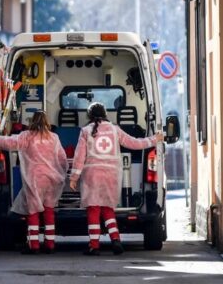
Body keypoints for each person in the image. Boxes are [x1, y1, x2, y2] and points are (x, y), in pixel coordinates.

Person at [69, 102, 164, 255]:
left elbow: (79, 156)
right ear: (106, 114)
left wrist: (74, 177)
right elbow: (134, 143)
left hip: (92, 176)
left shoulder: (86, 131)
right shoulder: (115, 130)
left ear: (89, 116)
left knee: (93, 210)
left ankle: (94, 246)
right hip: (111, 175)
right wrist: (154, 139)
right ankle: (116, 240)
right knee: (108, 209)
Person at [0, 111, 68, 254]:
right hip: (51, 180)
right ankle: (50, 244)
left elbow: (6, 143)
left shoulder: (26, 137)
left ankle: (34, 245)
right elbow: (62, 159)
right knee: (49, 211)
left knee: (33, 212)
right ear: (47, 122)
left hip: (34, 180)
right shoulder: (54, 137)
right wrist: (63, 174)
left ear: (32, 122)